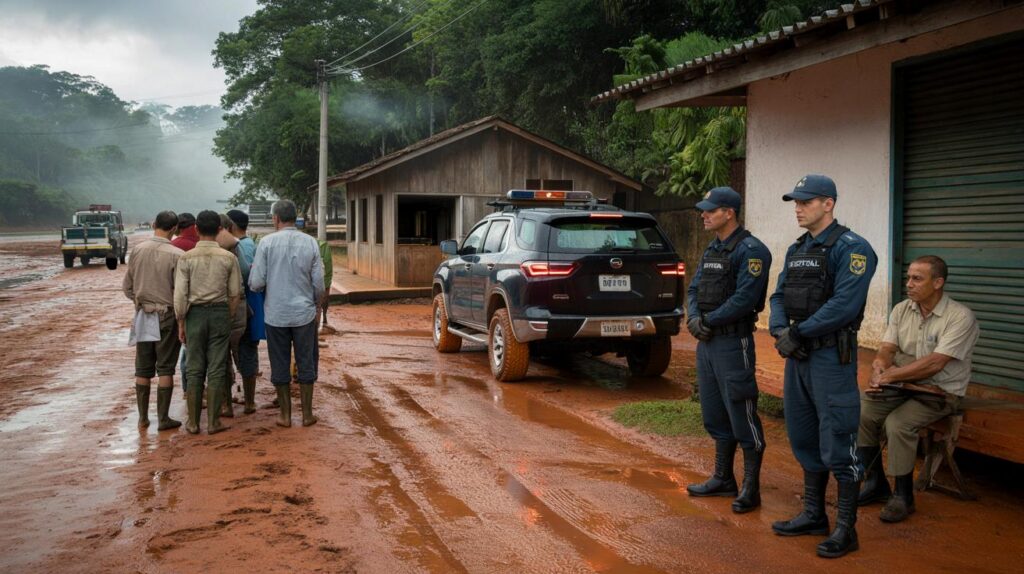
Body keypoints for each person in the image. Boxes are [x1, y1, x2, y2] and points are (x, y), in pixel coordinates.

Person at [768, 174, 877, 558]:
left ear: (828, 204)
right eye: (795, 202)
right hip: (799, 357)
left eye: (805, 201)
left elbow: (844, 305)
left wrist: (801, 335)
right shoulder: (798, 249)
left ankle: (846, 529)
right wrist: (781, 330)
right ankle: (814, 514)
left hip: (831, 357)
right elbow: (779, 294)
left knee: (839, 438)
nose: (797, 208)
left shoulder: (852, 248)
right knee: (804, 434)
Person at [857, 255, 979, 522]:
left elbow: (935, 364)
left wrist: (889, 376)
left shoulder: (960, 317)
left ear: (938, 283)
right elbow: (888, 348)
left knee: (898, 423)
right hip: (900, 385)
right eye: (908, 277)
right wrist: (879, 365)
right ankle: (875, 483)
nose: (909, 284)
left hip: (939, 393)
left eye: (916, 278)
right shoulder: (902, 309)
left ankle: (903, 497)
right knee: (862, 411)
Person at [685, 187, 772, 514]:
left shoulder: (752, 251)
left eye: (710, 210)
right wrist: (694, 317)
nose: (704, 215)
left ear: (729, 213)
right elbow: (693, 288)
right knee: (714, 410)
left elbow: (745, 299)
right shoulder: (712, 249)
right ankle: (723, 477)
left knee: (740, 409)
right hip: (707, 343)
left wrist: (708, 320)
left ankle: (751, 486)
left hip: (733, 343)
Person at [249, 199, 325, 428]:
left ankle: (285, 415)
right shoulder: (310, 243)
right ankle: (307, 414)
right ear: (296, 218)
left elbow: (256, 282)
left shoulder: (266, 243)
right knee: (306, 361)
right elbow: (319, 283)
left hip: (276, 314)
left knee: (279, 362)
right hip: (304, 313)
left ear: (275, 218)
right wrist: (315, 304)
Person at [173, 210, 243, 435]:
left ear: (197, 229)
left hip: (194, 315)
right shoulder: (229, 257)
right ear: (219, 229)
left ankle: (193, 423)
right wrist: (228, 315)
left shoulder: (186, 258)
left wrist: (181, 322)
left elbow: (180, 296)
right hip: (220, 313)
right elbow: (235, 293)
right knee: (216, 366)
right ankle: (213, 422)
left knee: (194, 368)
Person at [122, 211, 184, 430]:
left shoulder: (137, 251)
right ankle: (163, 418)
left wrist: (140, 301)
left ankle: (142, 418)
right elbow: (180, 293)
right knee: (165, 367)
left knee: (143, 367)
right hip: (166, 314)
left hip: (143, 315)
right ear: (174, 228)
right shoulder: (177, 254)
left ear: (155, 224)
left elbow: (127, 288)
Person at [226, 209, 262, 414]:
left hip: (240, 308)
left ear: (230, 226)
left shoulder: (240, 247)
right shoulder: (252, 245)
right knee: (248, 351)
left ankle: (230, 402)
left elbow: (246, 273)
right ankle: (249, 401)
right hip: (250, 308)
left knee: (229, 354)